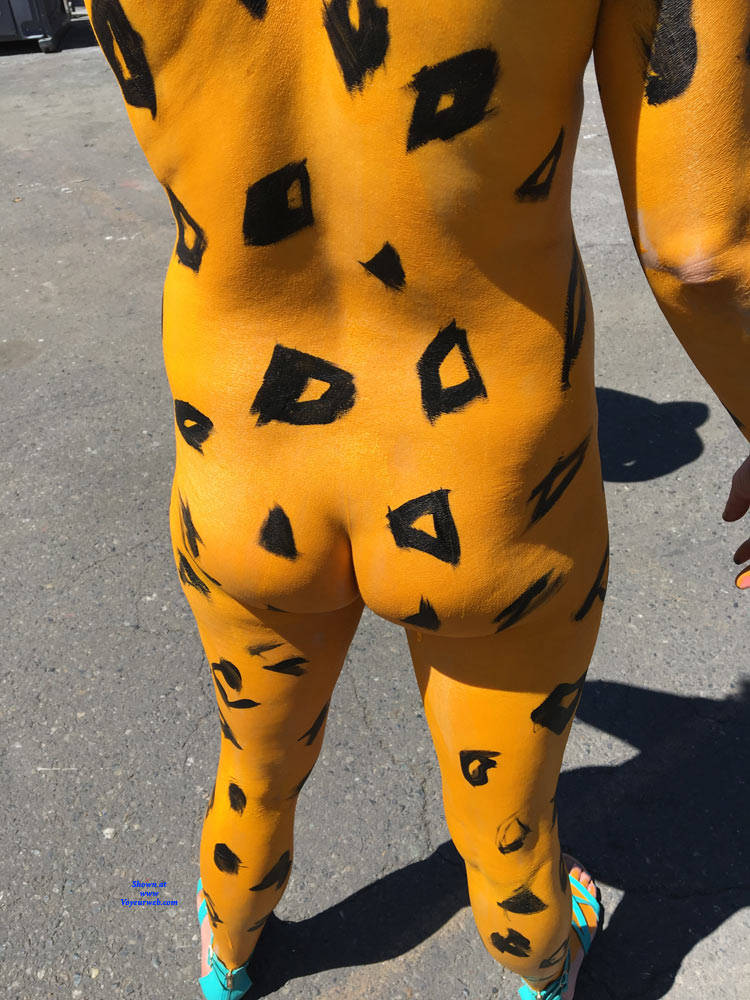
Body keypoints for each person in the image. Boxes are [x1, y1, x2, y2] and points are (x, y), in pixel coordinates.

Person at [83, 1, 750, 997]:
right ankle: (543, 964)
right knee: (507, 829)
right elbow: (701, 251)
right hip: (493, 480)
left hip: (243, 462)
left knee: (257, 766)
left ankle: (228, 951)